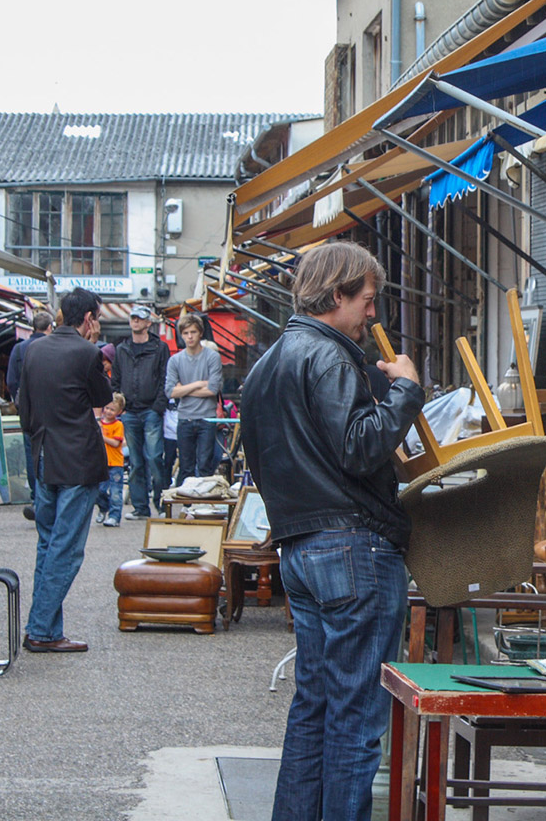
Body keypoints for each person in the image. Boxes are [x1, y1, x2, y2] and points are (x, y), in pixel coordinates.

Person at [241, 242, 425, 821]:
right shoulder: (329, 356)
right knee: (354, 717)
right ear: (339, 294)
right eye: (368, 301)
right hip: (352, 546)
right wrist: (406, 390)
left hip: (300, 547)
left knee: (315, 707)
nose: (373, 315)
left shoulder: (266, 364)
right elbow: (360, 445)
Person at [18, 286, 113, 653]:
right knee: (67, 548)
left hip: (44, 454)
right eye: (98, 318)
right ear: (88, 318)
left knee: (48, 543)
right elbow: (103, 398)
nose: (99, 325)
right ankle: (41, 629)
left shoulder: (34, 348)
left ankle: (44, 627)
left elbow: (24, 407)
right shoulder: (87, 352)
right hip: (77, 459)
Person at [111, 305, 169, 519]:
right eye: (133, 318)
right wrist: (120, 406)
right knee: (135, 462)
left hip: (151, 410)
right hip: (130, 412)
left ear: (148, 323)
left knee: (154, 458)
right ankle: (141, 508)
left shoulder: (160, 348)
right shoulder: (121, 349)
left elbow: (165, 378)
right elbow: (115, 380)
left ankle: (162, 505)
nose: (135, 321)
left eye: (139, 318)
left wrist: (158, 406)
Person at [7, 308, 55, 519]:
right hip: (49, 409)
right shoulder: (50, 347)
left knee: (31, 454)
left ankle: (37, 498)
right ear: (49, 328)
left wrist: (21, 404)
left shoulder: (19, 349)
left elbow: (10, 381)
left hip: (28, 410)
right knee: (51, 452)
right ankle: (48, 499)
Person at [165, 314, 223, 482]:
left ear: (200, 333)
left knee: (205, 465)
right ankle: (187, 506)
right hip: (185, 417)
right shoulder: (175, 360)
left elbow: (213, 389)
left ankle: (202, 506)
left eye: (193, 332)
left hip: (207, 417)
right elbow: (170, 392)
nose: (189, 337)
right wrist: (198, 384)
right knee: (186, 466)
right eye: (185, 333)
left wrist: (183, 389)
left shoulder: (212, 357)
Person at [95, 392, 126, 527]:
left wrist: (101, 436)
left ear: (119, 411)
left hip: (115, 463)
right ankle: (104, 507)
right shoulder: (99, 424)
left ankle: (114, 516)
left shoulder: (118, 425)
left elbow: (115, 443)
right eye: (106, 408)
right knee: (98, 490)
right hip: (101, 462)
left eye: (112, 409)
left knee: (115, 492)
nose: (108, 411)